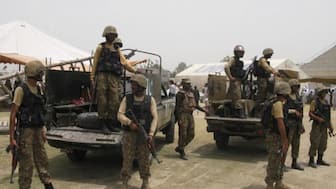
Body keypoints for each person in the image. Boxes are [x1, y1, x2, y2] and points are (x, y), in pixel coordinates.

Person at [90, 25, 144, 133]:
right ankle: (103, 124)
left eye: (114, 35)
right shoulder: (100, 48)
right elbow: (95, 63)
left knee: (114, 100)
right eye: (110, 34)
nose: (112, 36)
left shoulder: (117, 49)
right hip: (102, 76)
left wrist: (134, 71)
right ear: (105, 35)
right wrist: (92, 77)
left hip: (114, 78)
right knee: (102, 100)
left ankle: (111, 123)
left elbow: (124, 62)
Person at [9, 60, 54, 189]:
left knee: (42, 160)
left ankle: (48, 185)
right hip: (25, 132)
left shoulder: (39, 88)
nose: (42, 75)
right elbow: (13, 116)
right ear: (34, 74)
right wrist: (12, 138)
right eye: (41, 73)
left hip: (38, 130)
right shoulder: (21, 90)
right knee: (26, 165)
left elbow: (40, 111)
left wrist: (43, 128)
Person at [117, 74, 158, 189]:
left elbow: (155, 117)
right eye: (132, 85)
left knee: (144, 159)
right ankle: (124, 182)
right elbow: (119, 114)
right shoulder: (127, 98)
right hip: (129, 135)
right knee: (127, 159)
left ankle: (145, 182)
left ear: (142, 86)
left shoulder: (150, 100)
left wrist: (151, 134)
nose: (132, 87)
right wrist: (129, 123)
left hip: (143, 135)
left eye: (134, 85)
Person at [265, 81, 290, 189]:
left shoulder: (278, 103)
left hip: (276, 136)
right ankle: (270, 184)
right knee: (273, 161)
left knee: (279, 160)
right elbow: (280, 123)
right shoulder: (278, 104)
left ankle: (279, 182)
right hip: (275, 137)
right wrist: (285, 140)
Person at [174, 78, 208, 160]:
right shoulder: (180, 94)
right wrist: (178, 118)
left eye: (189, 84)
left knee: (191, 134)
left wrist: (205, 111)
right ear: (183, 84)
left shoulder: (191, 93)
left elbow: (196, 105)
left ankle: (180, 147)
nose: (189, 85)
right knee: (183, 134)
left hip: (190, 115)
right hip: (183, 115)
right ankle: (182, 151)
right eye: (187, 84)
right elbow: (177, 107)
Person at [308, 87, 334, 168]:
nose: (325, 93)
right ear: (320, 93)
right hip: (317, 125)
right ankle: (311, 160)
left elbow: (328, 116)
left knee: (323, 142)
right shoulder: (314, 102)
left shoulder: (326, 102)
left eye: (325, 92)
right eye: (323, 92)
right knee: (315, 142)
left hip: (324, 126)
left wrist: (330, 126)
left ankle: (320, 159)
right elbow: (310, 113)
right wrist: (318, 118)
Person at [286, 79, 304, 171]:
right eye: (295, 86)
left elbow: (301, 112)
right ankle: (282, 163)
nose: (297, 88)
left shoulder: (298, 97)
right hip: (289, 124)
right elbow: (283, 109)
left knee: (296, 144)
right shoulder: (286, 97)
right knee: (286, 144)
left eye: (298, 86)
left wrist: (301, 125)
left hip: (297, 124)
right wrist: (293, 111)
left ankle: (294, 162)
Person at [224, 45, 245, 117]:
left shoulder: (239, 61)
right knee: (237, 96)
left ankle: (228, 110)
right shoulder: (233, 60)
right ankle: (238, 112)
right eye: (240, 52)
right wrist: (230, 77)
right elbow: (226, 67)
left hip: (238, 80)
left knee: (230, 97)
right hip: (235, 81)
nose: (242, 54)